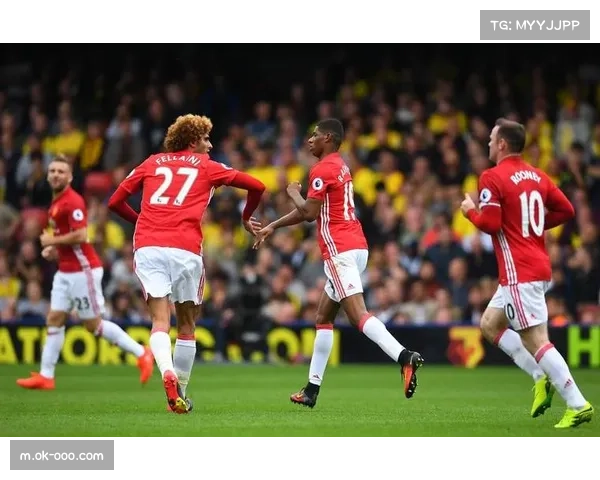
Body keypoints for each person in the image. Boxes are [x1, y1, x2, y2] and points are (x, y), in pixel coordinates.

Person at [253, 118, 423, 408]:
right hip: (356, 246)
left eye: (315, 135)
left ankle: (405, 356)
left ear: (328, 138)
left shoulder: (322, 169)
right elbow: (312, 211)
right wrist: (273, 226)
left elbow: (308, 213)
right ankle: (311, 389)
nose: (309, 140)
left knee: (358, 316)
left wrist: (292, 193)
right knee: (323, 318)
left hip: (339, 250)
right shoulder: (341, 166)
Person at [108, 114, 265, 414]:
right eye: (206, 138)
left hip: (148, 246)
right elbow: (257, 186)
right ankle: (179, 390)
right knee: (187, 324)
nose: (210, 144)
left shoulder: (151, 162)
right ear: (193, 142)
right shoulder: (207, 166)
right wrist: (246, 218)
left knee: (159, 321)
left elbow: (114, 201)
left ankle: (165, 371)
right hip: (185, 249)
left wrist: (142, 221)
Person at [460, 118, 594, 429]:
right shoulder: (537, 175)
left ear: (502, 144)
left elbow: (490, 224)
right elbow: (566, 210)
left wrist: (469, 212)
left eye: (492, 139)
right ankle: (539, 376)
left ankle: (578, 403)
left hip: (519, 271)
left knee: (536, 341)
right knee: (490, 324)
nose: (488, 143)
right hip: (537, 266)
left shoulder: (492, 177)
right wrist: (530, 225)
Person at [17, 154, 154, 391]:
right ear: (48, 175)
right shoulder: (56, 203)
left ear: (70, 177)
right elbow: (69, 240)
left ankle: (142, 353)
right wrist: (55, 250)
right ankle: (46, 376)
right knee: (54, 318)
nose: (56, 175)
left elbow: (81, 235)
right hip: (65, 271)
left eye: (61, 171)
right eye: (53, 171)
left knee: (94, 325)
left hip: (84, 271)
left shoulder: (73, 201)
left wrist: (52, 240)